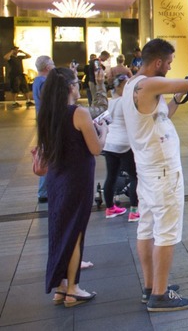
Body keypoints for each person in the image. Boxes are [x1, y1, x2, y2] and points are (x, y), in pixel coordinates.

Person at [122, 39, 188, 312]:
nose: (170, 68)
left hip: (149, 171)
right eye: (169, 63)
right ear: (158, 62)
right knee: (166, 231)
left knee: (147, 227)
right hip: (162, 171)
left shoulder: (133, 85)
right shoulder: (148, 84)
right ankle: (160, 294)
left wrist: (176, 101)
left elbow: (161, 115)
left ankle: (151, 287)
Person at [37, 67, 107, 307]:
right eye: (76, 82)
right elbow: (96, 148)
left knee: (59, 230)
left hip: (56, 179)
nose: (78, 86)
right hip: (77, 179)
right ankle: (74, 288)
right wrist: (104, 131)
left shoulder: (47, 113)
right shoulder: (79, 113)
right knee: (75, 233)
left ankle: (61, 287)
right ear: (70, 87)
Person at [102, 75, 139, 221]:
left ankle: (110, 208)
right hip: (125, 144)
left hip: (110, 144)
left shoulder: (112, 102)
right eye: (126, 86)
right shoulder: (127, 102)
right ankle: (135, 211)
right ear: (118, 87)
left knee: (111, 176)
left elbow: (107, 120)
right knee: (135, 176)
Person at [33, 55, 54, 203]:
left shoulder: (36, 81)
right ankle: (44, 191)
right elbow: (49, 101)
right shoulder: (45, 82)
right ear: (47, 67)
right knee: (49, 154)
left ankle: (45, 190)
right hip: (48, 122)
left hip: (43, 121)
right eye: (52, 64)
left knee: (48, 153)